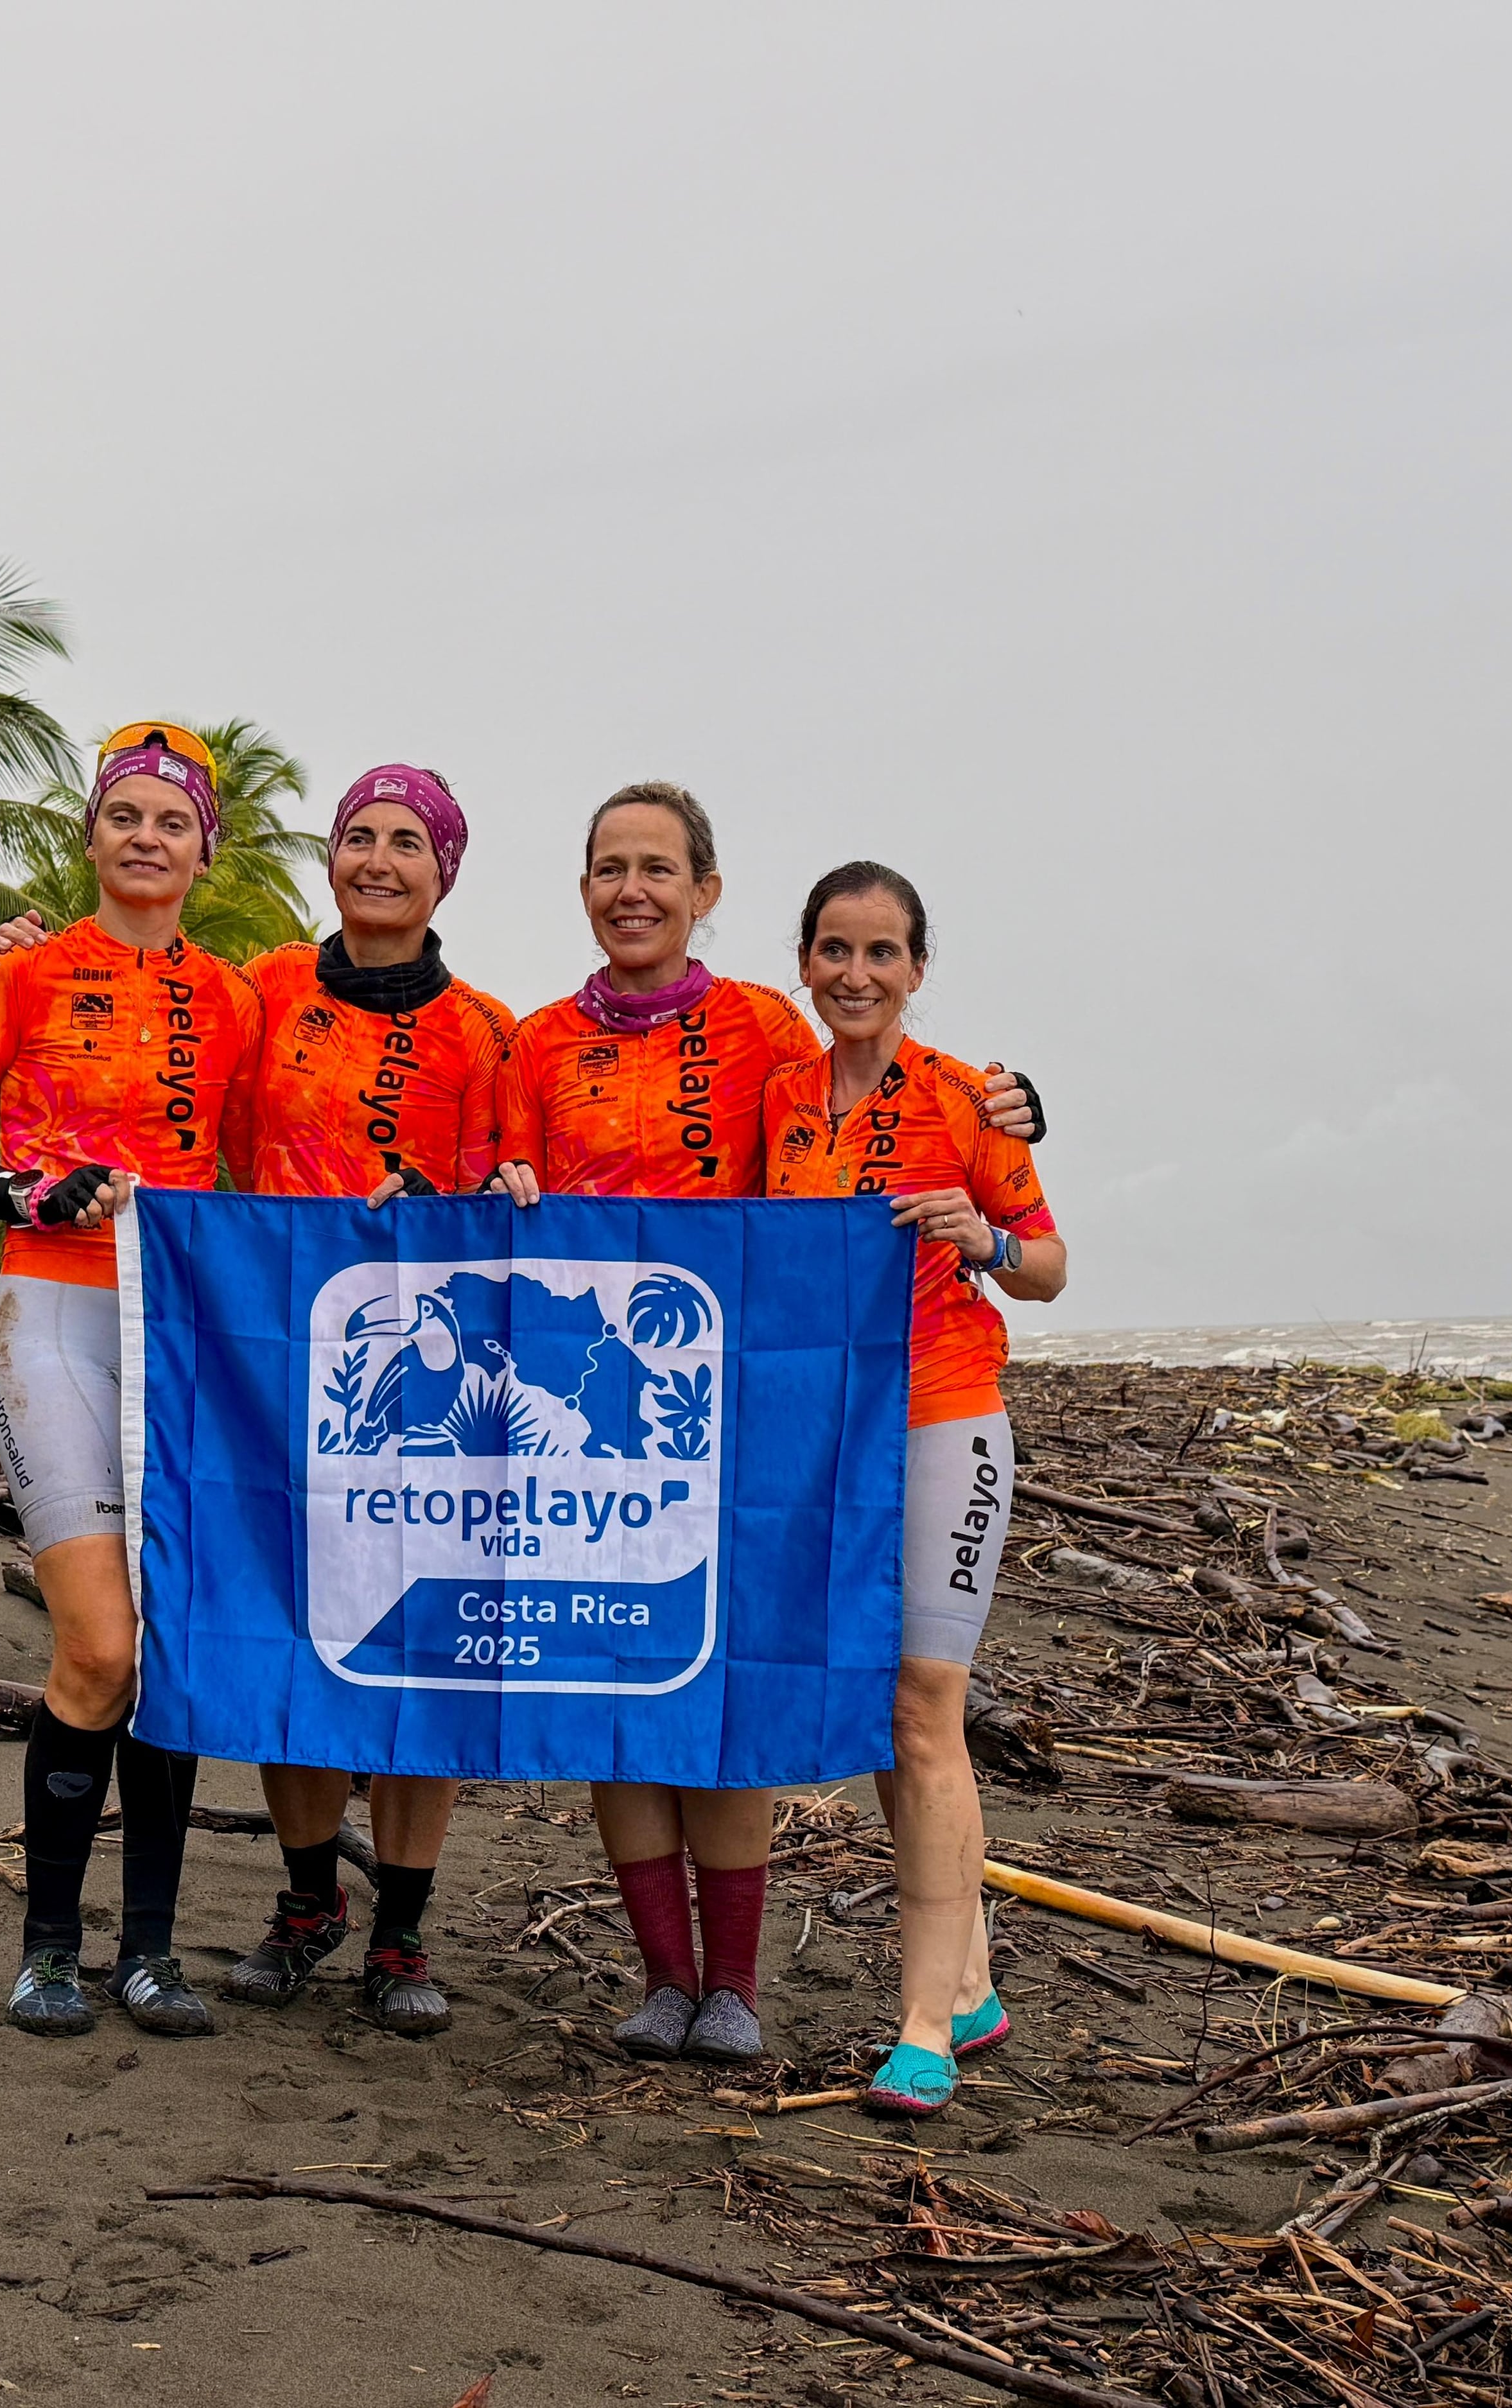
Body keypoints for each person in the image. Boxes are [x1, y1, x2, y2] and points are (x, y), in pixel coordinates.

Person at [489, 785, 1046, 2066]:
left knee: (795, 1688)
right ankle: (679, 1981)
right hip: (599, 1417)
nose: (634, 889)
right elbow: (498, 1183)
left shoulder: (761, 1036)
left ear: (707, 891)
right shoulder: (532, 1043)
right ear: (583, 887)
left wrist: (1016, 1121)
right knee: (612, 1675)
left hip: (764, 1423)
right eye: (609, 868)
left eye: (660, 868)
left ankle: (775, 1990)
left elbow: (924, 1110)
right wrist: (500, 1182)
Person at [0, 763, 516, 2038]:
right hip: (257, 1354)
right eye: (358, 839)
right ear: (329, 859)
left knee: (418, 1641)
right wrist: (17, 953)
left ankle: (403, 1934)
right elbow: (133, 1038)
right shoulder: (264, 989)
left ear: (447, 868)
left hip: (422, 1372)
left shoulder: (487, 1029)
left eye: (407, 844)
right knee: (286, 1623)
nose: (379, 862)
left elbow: (509, 1197)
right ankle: (304, 1904)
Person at [0, 720, 263, 2041]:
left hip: (180, 1328)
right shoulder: (23, 973)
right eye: (124, 814)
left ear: (203, 852)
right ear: (90, 835)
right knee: (97, 1643)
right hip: (52, 1305)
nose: (147, 837)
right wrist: (30, 1188)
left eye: (172, 821)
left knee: (165, 1653)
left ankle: (152, 1955)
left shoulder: (236, 1000)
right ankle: (47, 1948)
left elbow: (255, 1174)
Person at [760, 861, 1065, 2116]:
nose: (855, 974)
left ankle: (923, 2028)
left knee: (926, 1712)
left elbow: (1046, 1268)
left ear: (916, 968)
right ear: (807, 963)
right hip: (823, 1438)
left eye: (881, 953)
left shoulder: (969, 1098)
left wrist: (978, 1237)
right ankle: (975, 1981)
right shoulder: (774, 1097)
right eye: (834, 950)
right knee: (892, 1718)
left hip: (946, 1418)